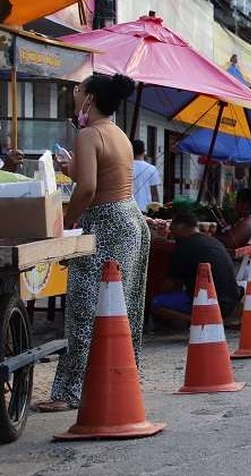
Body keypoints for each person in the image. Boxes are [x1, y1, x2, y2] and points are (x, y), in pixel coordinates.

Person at [39, 74, 149, 412]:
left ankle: (70, 392)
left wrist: (64, 223)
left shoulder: (88, 134)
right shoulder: (119, 135)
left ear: (90, 98)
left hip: (105, 223)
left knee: (85, 310)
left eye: (78, 89)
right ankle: (119, 382)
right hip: (129, 219)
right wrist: (71, 168)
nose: (74, 94)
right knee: (121, 309)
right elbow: (97, 177)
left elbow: (87, 189)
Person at [151, 210, 241, 323]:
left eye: (172, 227)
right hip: (230, 301)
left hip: (211, 303)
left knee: (156, 303)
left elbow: (170, 283)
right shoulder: (212, 241)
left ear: (180, 227)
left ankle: (199, 322)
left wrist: (152, 296)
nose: (170, 231)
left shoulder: (185, 246)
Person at [132, 139, 161, 212]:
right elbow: (154, 193)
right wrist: (157, 210)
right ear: (144, 151)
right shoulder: (151, 168)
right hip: (146, 210)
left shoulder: (124, 167)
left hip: (128, 210)